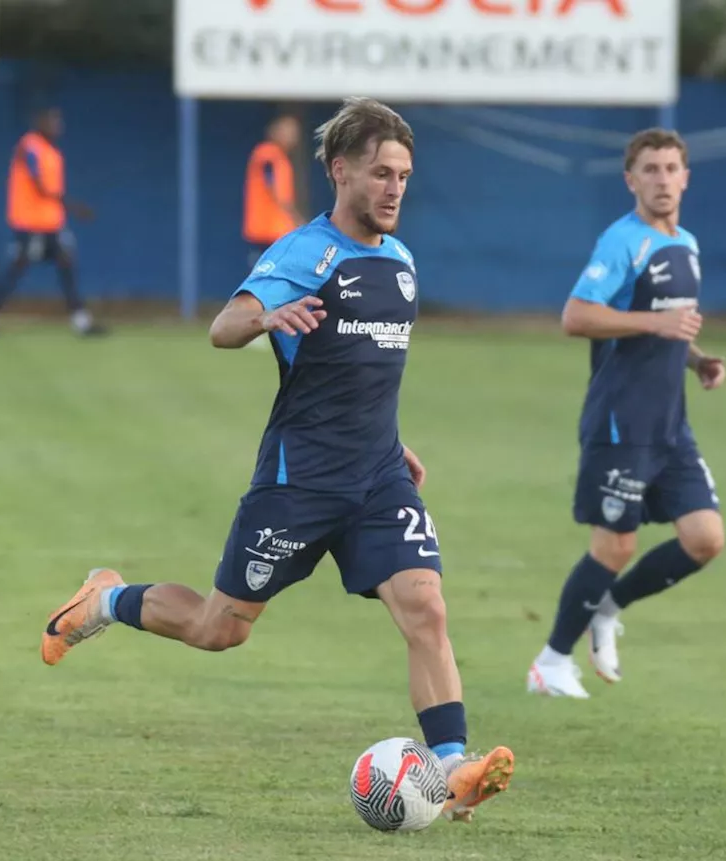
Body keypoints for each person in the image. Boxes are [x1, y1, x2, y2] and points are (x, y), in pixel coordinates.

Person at [40, 97, 513, 821]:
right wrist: (267, 314)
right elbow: (224, 328)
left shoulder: (403, 263)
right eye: (381, 173)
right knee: (217, 628)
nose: (394, 188)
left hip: (377, 475)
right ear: (340, 170)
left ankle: (453, 769)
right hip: (300, 483)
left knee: (425, 606)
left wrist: (392, 439)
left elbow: (366, 370)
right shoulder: (306, 252)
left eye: (405, 175)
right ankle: (103, 598)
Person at [527, 128, 726, 699]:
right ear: (630, 180)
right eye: (651, 169)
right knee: (614, 546)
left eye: (671, 168)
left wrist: (695, 359)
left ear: (685, 176)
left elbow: (670, 326)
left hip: (670, 426)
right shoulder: (622, 243)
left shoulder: (685, 243)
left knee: (705, 539)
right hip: (621, 424)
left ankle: (607, 607)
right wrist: (657, 325)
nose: (662, 179)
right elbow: (577, 315)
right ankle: (551, 662)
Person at [0, 107, 104, 336]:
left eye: (59, 121)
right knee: (17, 268)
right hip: (30, 224)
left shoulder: (52, 152)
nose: (57, 125)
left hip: (51, 224)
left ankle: (80, 321)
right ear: (39, 122)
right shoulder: (29, 146)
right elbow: (39, 185)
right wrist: (72, 206)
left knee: (66, 263)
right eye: (52, 121)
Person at [244, 113, 305, 269]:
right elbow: (274, 188)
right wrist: (295, 218)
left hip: (276, 229)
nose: (292, 137)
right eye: (288, 131)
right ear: (275, 132)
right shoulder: (268, 153)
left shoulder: (279, 157)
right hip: (266, 229)